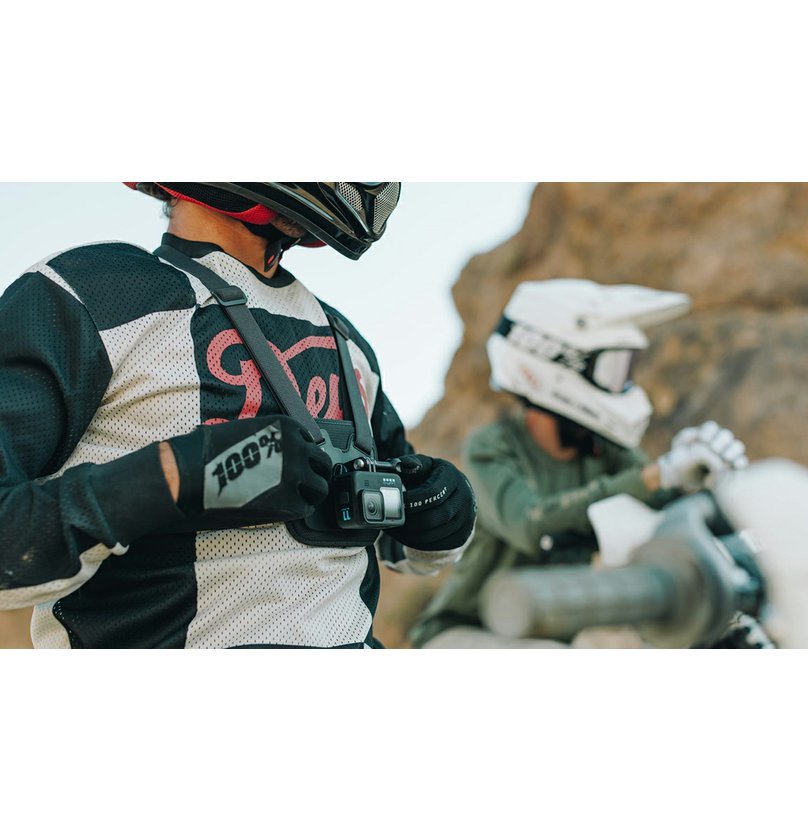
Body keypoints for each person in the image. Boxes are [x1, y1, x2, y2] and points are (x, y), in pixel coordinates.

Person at [0, 182, 476, 648]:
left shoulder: (344, 339)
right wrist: (174, 479)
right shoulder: (90, 292)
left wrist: (442, 517)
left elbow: (396, 539)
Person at [409, 278, 747, 648]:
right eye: (614, 370)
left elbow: (661, 501)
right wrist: (659, 474)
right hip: (462, 634)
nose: (625, 385)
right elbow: (532, 525)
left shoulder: (602, 449)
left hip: (548, 636)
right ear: (555, 359)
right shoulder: (492, 447)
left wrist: (697, 475)